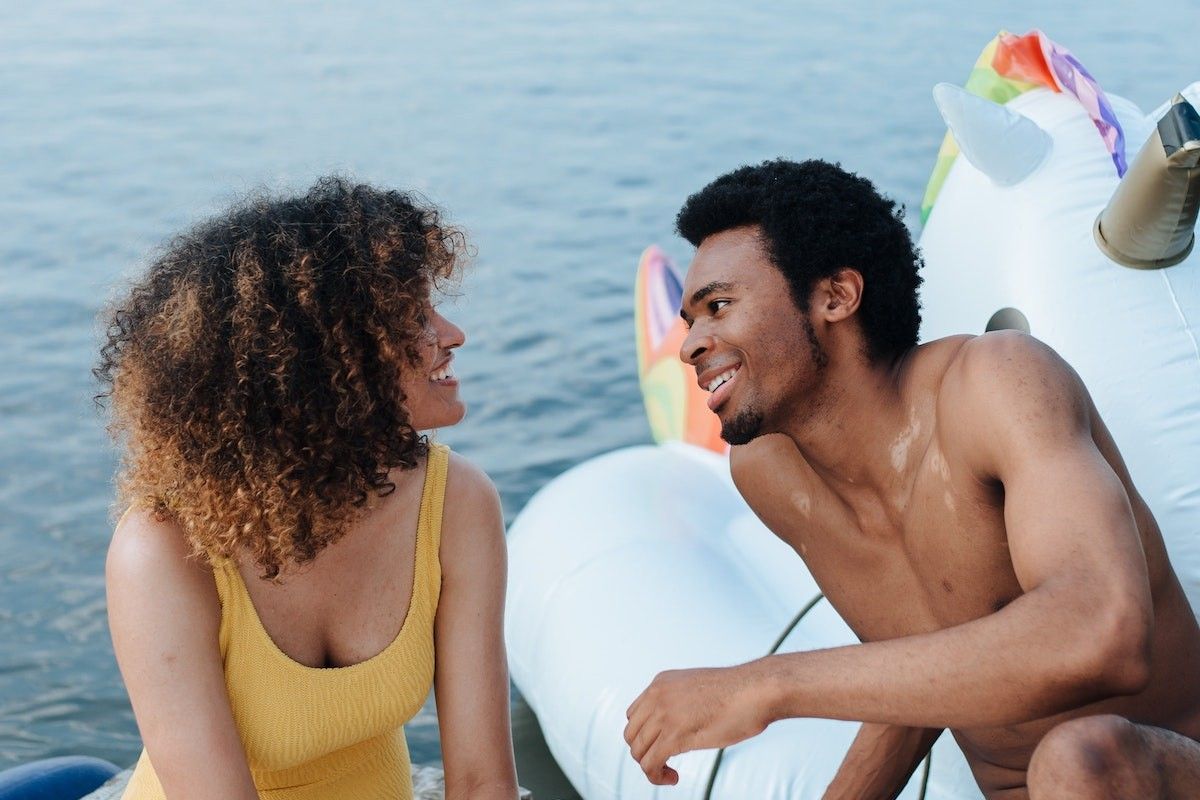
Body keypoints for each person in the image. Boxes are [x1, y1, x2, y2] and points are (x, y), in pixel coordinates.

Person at [622, 159, 1200, 798]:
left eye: (719, 306)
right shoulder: (772, 475)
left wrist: (766, 685)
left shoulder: (994, 384)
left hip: (1159, 773)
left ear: (836, 296)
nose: (690, 346)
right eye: (691, 321)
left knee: (1079, 759)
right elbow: (921, 672)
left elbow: (1103, 632)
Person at [97, 178, 518, 800]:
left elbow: (484, 782)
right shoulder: (163, 547)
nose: (452, 334)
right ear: (320, 360)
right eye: (413, 320)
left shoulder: (456, 502)